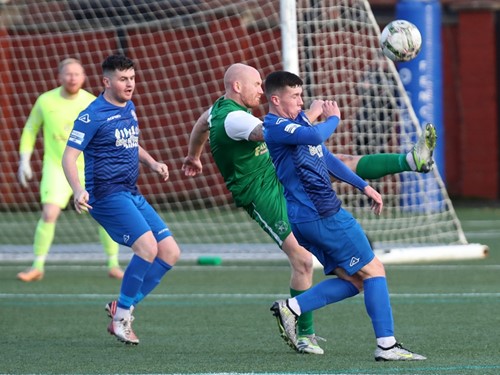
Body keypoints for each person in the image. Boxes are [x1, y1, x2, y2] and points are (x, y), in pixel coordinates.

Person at [182, 63, 436, 355]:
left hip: (282, 180)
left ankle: (410, 161)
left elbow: (203, 123)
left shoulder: (219, 110)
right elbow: (273, 133)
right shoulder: (237, 119)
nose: (261, 90)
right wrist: (317, 116)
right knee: (306, 261)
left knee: (355, 276)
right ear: (237, 87)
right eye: (256, 84)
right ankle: (308, 334)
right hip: (264, 192)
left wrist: (193, 155)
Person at [263, 70, 426, 361]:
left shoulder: (296, 123)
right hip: (322, 215)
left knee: (356, 281)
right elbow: (314, 134)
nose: (301, 102)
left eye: (302, 95)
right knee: (375, 270)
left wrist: (363, 186)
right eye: (295, 96)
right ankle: (387, 346)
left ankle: (293, 308)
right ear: (276, 100)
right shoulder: (275, 126)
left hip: (310, 218)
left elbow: (326, 158)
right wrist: (332, 118)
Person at [62, 54, 181, 345]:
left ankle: (123, 306)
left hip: (131, 191)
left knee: (170, 253)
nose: (130, 84)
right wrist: (78, 190)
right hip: (106, 195)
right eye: (123, 79)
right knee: (147, 248)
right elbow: (69, 156)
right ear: (106, 81)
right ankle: (121, 319)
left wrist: (152, 163)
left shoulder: (129, 106)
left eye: (132, 78)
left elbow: (130, 141)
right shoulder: (92, 115)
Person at [16, 58, 123, 282]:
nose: (72, 78)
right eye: (68, 74)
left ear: (84, 77)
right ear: (59, 77)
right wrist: (24, 160)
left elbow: (105, 133)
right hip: (56, 169)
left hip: (89, 169)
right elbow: (30, 129)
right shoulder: (45, 101)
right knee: (49, 213)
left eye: (76, 74)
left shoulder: (93, 102)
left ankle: (114, 264)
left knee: (105, 215)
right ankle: (37, 266)